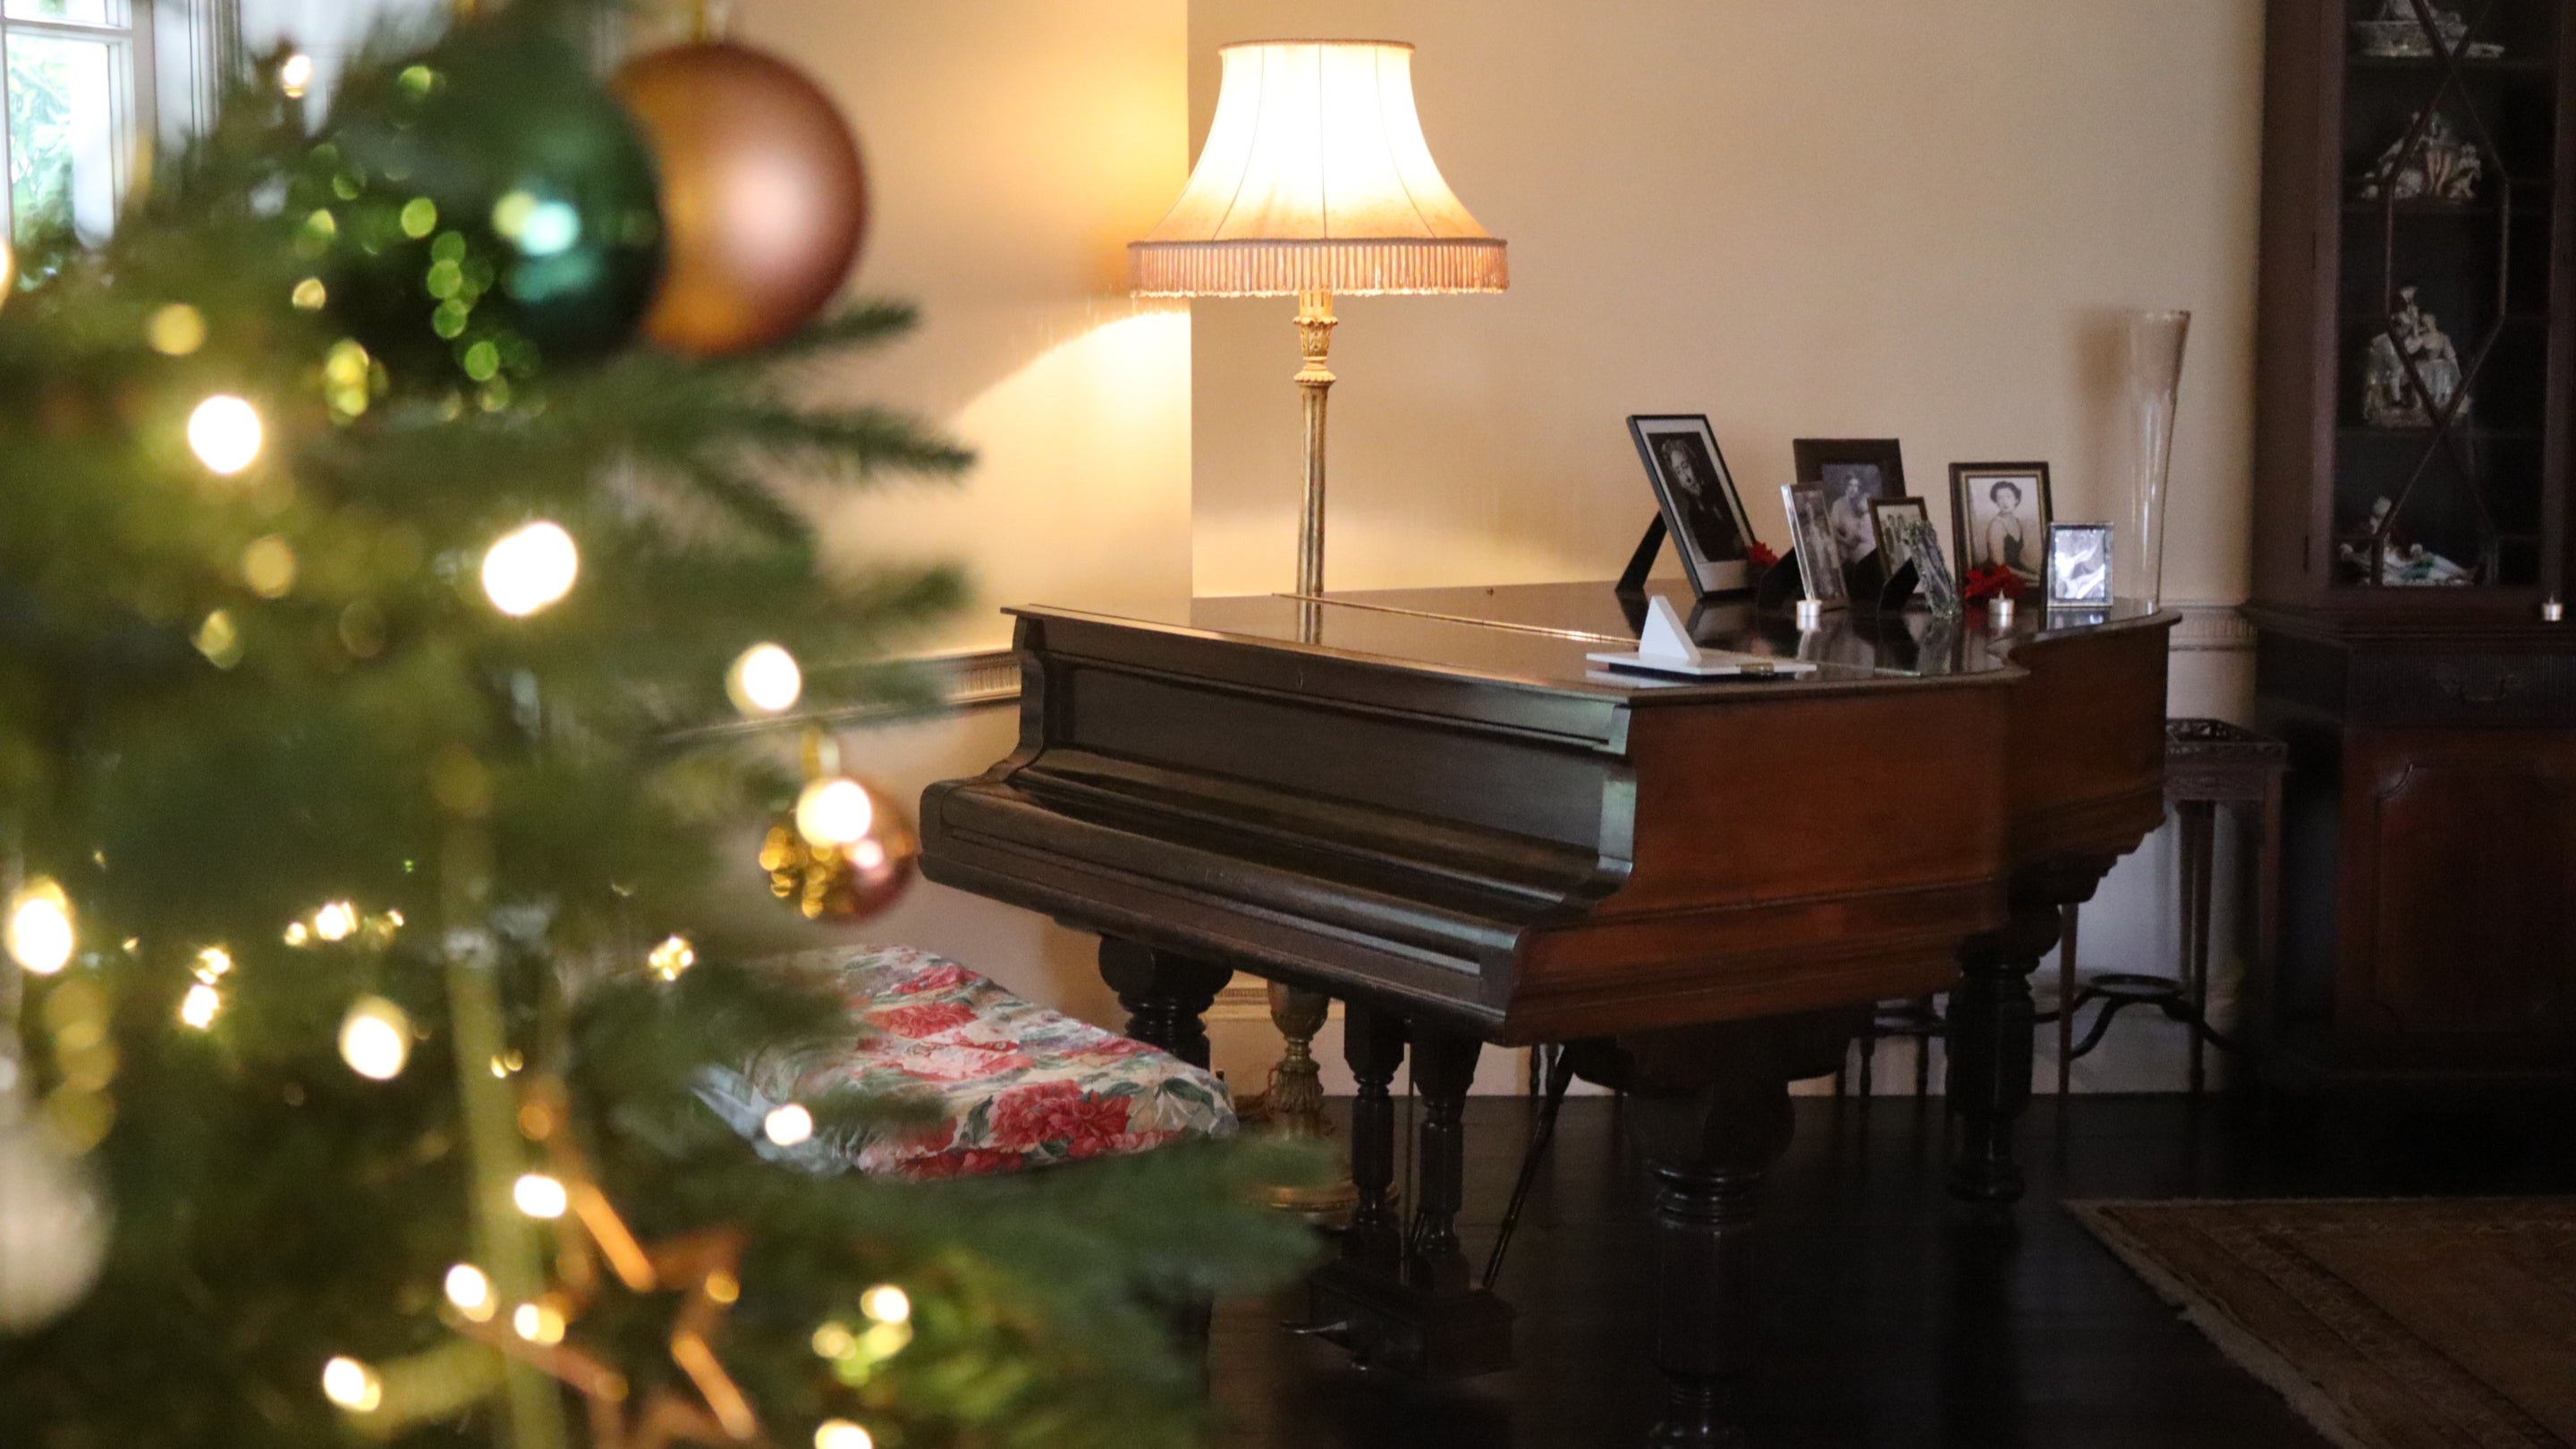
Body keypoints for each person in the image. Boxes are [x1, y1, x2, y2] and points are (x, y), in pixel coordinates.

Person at [1662, 438, 1743, 561]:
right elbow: (1711, 556)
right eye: (1678, 471)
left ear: (1693, 463)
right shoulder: (1693, 515)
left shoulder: (1718, 488)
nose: (1685, 476)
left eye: (1685, 466)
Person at [1981, 479, 2031, 576]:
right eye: (2000, 498)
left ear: (2016, 500)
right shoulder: (1996, 525)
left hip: (2013, 573)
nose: (2005, 502)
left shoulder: (2017, 522)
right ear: (1996, 502)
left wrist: (2037, 574)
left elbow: (2019, 561)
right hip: (1995, 576)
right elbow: (2000, 566)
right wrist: (2031, 577)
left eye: (2008, 497)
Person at [1827, 475, 1877, 563]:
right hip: (1849, 548)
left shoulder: (1861, 503)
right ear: (1845, 486)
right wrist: (1847, 542)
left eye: (1856, 486)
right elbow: (1832, 530)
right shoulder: (1838, 504)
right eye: (1850, 485)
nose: (1853, 489)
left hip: (1866, 544)